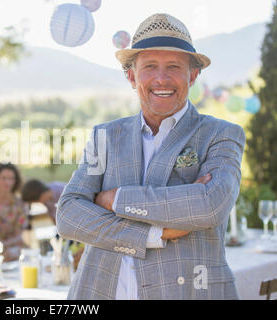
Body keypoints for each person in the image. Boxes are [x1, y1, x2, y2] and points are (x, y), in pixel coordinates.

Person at [56, 13, 245, 300]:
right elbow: (69, 214)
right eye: (150, 67)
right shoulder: (104, 136)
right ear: (132, 76)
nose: (161, 78)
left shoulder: (221, 134)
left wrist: (114, 199)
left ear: (192, 75)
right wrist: (152, 234)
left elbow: (208, 206)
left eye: (173, 66)